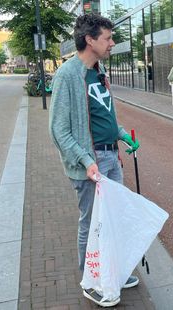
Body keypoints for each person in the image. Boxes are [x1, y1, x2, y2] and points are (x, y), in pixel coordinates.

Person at [49, 14, 140, 308]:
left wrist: (123, 136)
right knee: (91, 224)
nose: (112, 43)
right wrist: (86, 160)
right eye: (107, 38)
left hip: (110, 155)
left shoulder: (100, 72)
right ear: (90, 40)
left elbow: (105, 116)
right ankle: (92, 281)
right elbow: (58, 130)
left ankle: (112, 272)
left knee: (113, 219)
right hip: (89, 163)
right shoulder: (67, 75)